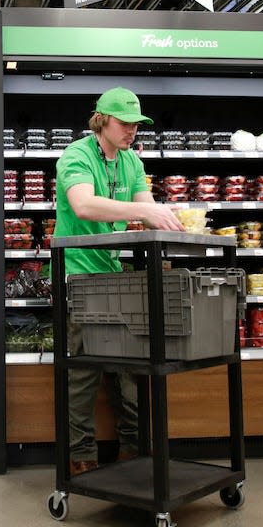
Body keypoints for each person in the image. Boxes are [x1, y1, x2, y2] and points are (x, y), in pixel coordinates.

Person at [53, 87, 184, 475]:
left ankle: (132, 450)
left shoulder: (130, 162)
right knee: (83, 371)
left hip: (114, 275)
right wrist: (144, 211)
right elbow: (84, 204)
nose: (132, 131)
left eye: (136, 125)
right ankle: (81, 456)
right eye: (125, 123)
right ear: (102, 120)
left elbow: (146, 209)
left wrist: (168, 217)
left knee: (129, 366)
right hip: (78, 274)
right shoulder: (75, 155)